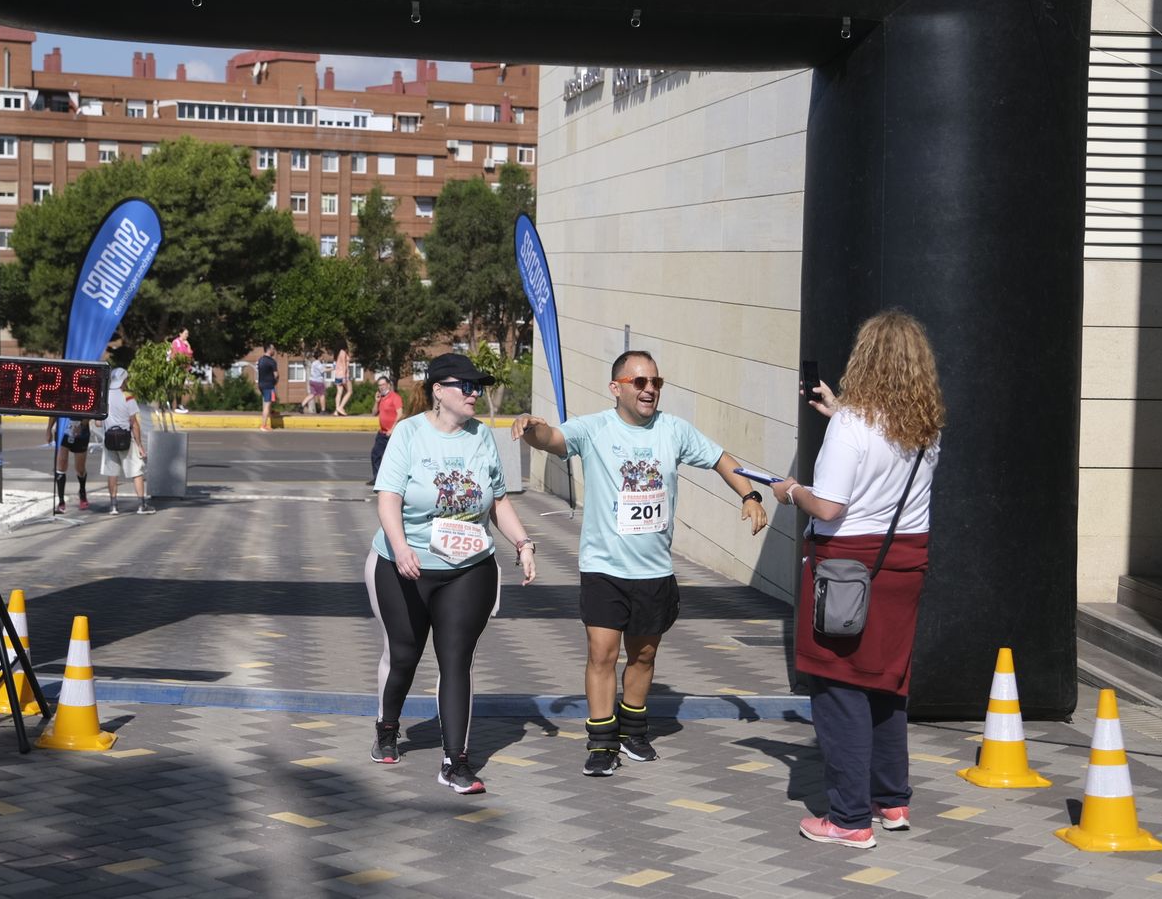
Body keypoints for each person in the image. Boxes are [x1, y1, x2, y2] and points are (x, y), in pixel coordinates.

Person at [512, 351, 767, 776]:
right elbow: (552, 439)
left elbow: (722, 458)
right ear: (617, 388)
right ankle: (601, 742)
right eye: (639, 382)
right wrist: (530, 426)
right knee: (601, 654)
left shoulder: (673, 430)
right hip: (604, 568)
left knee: (644, 656)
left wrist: (750, 495)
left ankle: (632, 730)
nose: (649, 389)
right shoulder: (594, 428)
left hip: (653, 571)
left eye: (656, 382)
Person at [768, 310, 943, 849]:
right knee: (888, 683)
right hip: (904, 566)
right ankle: (891, 800)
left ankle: (847, 819)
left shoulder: (852, 427)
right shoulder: (926, 423)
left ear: (864, 358)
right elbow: (882, 448)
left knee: (839, 685)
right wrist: (838, 409)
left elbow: (830, 504)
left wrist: (791, 491)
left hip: (846, 569)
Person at [368, 353, 537, 795]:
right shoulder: (408, 433)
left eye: (478, 386)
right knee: (404, 655)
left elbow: (498, 501)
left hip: (468, 567)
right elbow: (388, 497)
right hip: (404, 564)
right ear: (438, 390)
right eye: (465, 385)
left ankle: (455, 762)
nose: (474, 393)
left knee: (456, 658)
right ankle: (387, 727)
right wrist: (401, 547)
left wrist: (523, 543)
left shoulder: (483, 437)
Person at [101, 367, 155, 515]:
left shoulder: (104, 396)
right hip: (126, 439)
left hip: (109, 439)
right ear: (123, 381)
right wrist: (139, 445)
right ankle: (142, 505)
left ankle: (113, 506)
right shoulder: (128, 397)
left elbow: (99, 422)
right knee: (136, 472)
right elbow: (134, 423)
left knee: (112, 473)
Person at [44, 417, 91, 513]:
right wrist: (49, 429)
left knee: (80, 468)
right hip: (63, 432)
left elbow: (88, 413)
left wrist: (82, 425)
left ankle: (82, 492)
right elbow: (54, 413)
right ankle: (61, 501)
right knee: (61, 465)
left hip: (81, 433)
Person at [369, 374, 402, 483]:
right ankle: (377, 479)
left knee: (394, 458)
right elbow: (374, 413)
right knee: (375, 454)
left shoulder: (395, 397)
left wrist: (392, 429)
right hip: (382, 433)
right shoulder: (381, 398)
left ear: (388, 385)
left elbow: (400, 414)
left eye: (383, 385)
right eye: (379, 385)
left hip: (392, 433)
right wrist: (376, 401)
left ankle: (395, 480)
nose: (381, 387)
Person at [168, 328, 193, 413]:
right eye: (185, 333)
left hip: (183, 369)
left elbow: (189, 355)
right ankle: (171, 405)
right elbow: (174, 354)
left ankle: (178, 405)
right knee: (175, 386)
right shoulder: (176, 342)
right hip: (176, 368)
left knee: (180, 387)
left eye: (187, 334)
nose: (187, 335)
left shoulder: (186, 343)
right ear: (180, 333)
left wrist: (188, 345)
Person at [256, 342, 279, 432]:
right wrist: (276, 381)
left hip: (261, 384)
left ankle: (271, 412)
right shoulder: (271, 361)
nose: (274, 351)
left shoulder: (260, 359)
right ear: (269, 350)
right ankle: (263, 425)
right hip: (268, 385)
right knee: (267, 403)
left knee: (268, 401)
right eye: (273, 349)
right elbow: (276, 375)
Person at [301, 349, 327, 415]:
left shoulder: (314, 363)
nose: (323, 357)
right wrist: (333, 368)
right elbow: (323, 370)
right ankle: (323, 410)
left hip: (312, 381)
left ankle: (301, 405)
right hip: (318, 382)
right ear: (319, 356)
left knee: (312, 394)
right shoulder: (318, 363)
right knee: (322, 395)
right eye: (322, 356)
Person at [332, 343, 354, 416]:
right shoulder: (343, 352)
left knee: (339, 393)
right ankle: (340, 407)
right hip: (344, 375)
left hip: (337, 375)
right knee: (350, 391)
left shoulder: (337, 353)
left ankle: (336, 410)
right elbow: (344, 365)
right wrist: (345, 377)